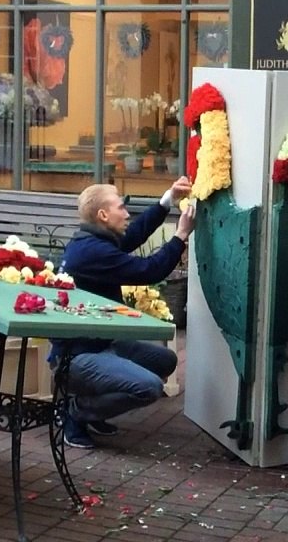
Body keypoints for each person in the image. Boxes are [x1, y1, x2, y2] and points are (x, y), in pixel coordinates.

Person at [54, 178, 196, 448]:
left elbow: (132, 236)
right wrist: (180, 236)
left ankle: (93, 407)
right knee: (150, 387)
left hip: (100, 343)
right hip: (78, 356)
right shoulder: (91, 252)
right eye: (121, 207)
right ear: (103, 215)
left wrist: (168, 200)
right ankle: (76, 411)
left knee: (165, 360)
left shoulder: (93, 240)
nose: (127, 213)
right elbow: (149, 270)